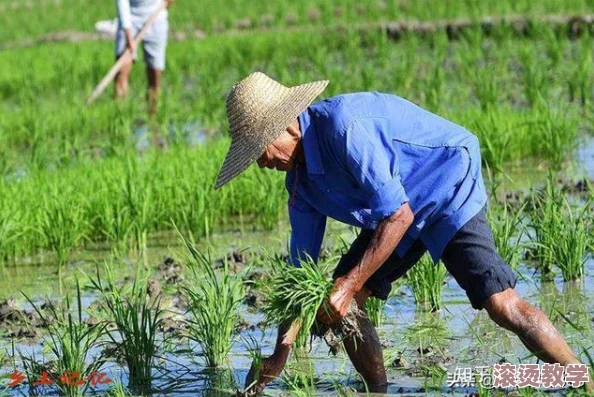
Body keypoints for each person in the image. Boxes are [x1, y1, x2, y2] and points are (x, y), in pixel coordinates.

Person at [214, 72, 593, 394]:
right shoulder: (300, 185)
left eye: (260, 150)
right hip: (397, 208)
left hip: (446, 182)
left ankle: (583, 383)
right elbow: (301, 271)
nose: (261, 163)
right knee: (348, 305)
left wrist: (346, 285)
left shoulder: (345, 127)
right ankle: (379, 392)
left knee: (500, 303)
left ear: (288, 125)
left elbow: (397, 214)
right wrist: (280, 354)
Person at [114, 0, 174, 115]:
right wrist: (128, 34)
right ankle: (120, 118)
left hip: (156, 16)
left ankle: (153, 118)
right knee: (121, 72)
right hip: (130, 17)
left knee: (155, 75)